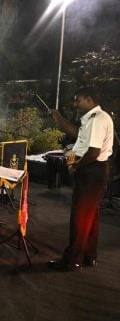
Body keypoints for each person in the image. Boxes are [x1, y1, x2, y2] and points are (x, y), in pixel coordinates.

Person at [48, 86, 114, 271]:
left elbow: (93, 152)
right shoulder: (94, 119)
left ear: (89, 99)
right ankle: (88, 256)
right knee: (90, 216)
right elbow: (78, 134)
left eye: (78, 99)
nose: (75, 103)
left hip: (90, 170)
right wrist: (58, 117)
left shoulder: (97, 120)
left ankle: (73, 260)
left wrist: (75, 167)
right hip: (95, 170)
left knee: (80, 217)